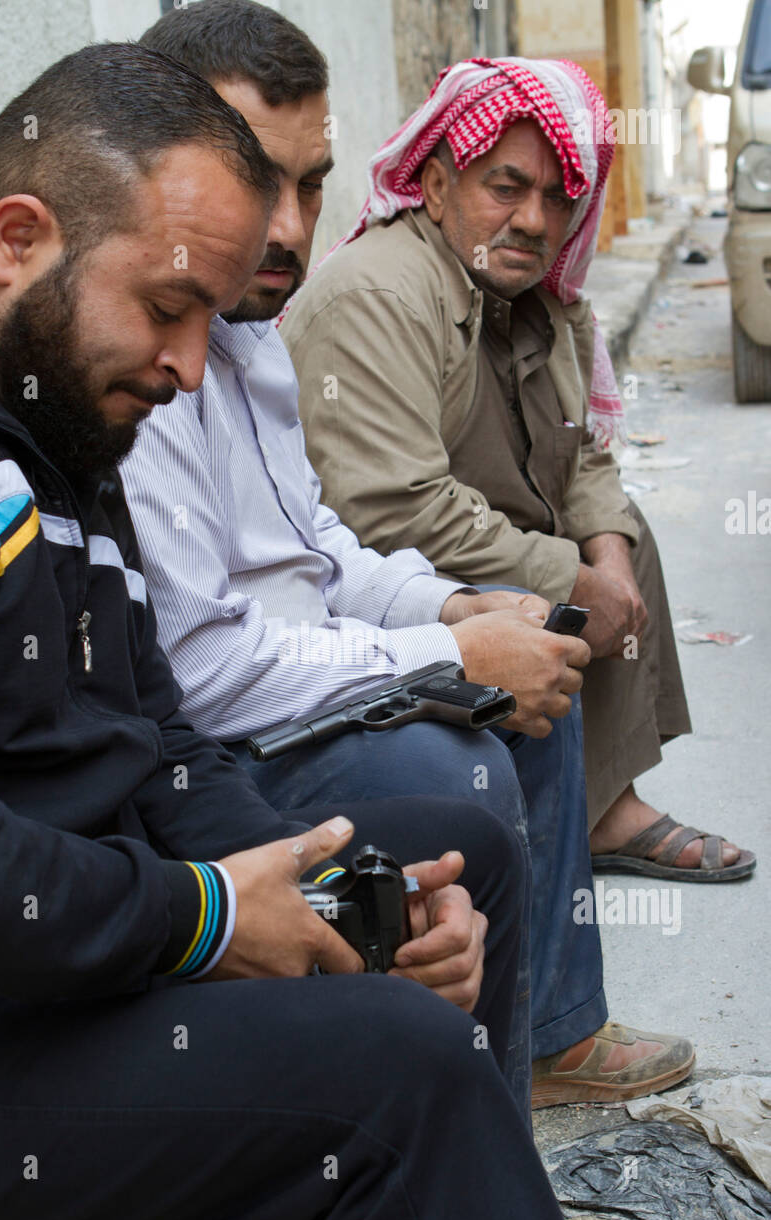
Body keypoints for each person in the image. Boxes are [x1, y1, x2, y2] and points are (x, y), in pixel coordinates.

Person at [0, 40, 593, 1220]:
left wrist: (351, 891)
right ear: (16, 239)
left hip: (45, 969)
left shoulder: (53, 427)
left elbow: (155, 736)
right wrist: (205, 918)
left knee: (443, 862)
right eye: (166, 310)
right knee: (403, 1080)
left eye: (207, 322)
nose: (190, 366)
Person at [122, 0, 695, 1109]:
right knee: (465, 763)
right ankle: (462, 1103)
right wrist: (447, 657)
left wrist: (460, 611)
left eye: (308, 184)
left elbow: (319, 547)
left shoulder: (248, 338)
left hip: (314, 656)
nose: (285, 228)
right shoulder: (163, 353)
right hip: (230, 731)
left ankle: (542, 1040)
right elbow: (211, 660)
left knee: (536, 668)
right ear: (434, 182)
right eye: (254, 182)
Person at [283, 55, 755, 884]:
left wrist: (602, 557)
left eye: (556, 196)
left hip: (486, 530)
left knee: (624, 539)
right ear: (433, 188)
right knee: (560, 595)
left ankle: (604, 803)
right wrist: (568, 576)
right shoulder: (379, 294)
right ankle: (561, 829)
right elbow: (393, 509)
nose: (534, 220)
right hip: (388, 577)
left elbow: (581, 455)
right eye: (504, 188)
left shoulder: (544, 298)